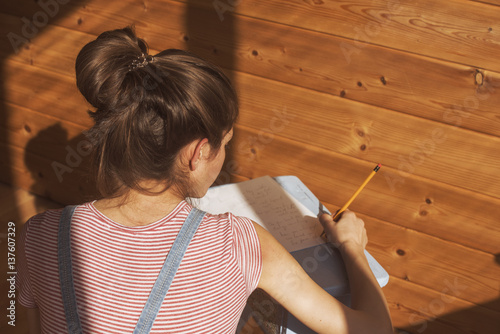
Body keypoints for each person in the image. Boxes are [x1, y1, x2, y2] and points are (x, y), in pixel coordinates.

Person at [17, 27, 393, 334]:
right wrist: (352, 247)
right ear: (197, 154)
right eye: (224, 143)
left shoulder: (35, 236)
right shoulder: (241, 243)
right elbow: (373, 330)